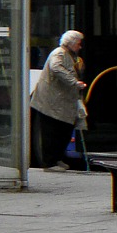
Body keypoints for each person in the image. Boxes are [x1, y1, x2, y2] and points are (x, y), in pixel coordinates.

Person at [30, 30, 87, 171]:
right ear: (70, 43)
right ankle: (49, 163)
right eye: (78, 44)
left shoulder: (72, 56)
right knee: (52, 132)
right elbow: (56, 68)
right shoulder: (59, 53)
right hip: (51, 102)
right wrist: (74, 82)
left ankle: (57, 158)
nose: (80, 47)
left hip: (61, 102)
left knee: (64, 130)